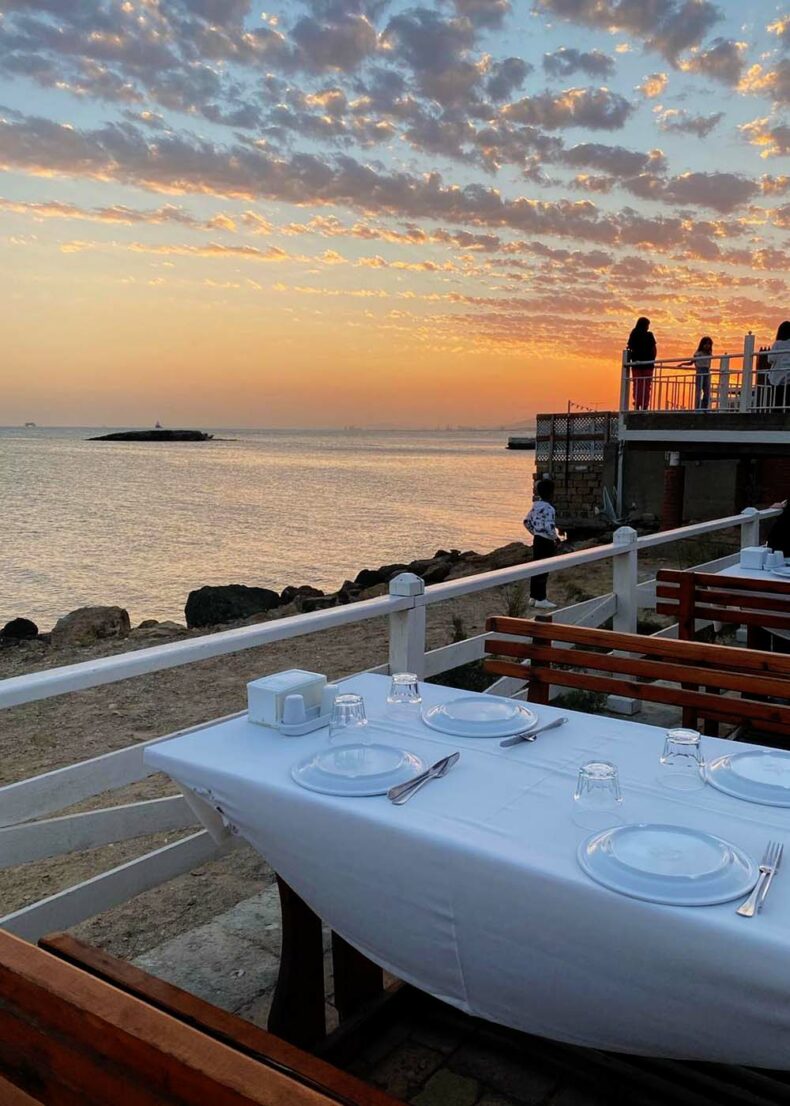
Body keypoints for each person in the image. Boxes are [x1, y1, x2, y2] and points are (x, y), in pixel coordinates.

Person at [524, 477, 560, 609]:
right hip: (546, 541)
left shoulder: (536, 506)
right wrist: (555, 538)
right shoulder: (549, 509)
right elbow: (550, 527)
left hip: (537, 540)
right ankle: (541, 598)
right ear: (551, 493)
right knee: (544, 569)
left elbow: (526, 522)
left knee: (536, 567)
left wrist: (535, 532)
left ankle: (533, 597)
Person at [627, 317, 657, 410]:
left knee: (637, 385)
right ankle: (644, 406)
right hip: (648, 364)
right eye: (648, 325)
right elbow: (654, 349)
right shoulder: (649, 335)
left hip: (636, 363)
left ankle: (637, 405)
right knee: (646, 386)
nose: (648, 327)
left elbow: (630, 346)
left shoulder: (634, 333)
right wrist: (652, 359)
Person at [680, 336, 713, 410]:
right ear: (702, 344)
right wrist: (682, 364)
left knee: (707, 391)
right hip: (700, 371)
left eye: (709, 344)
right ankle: (697, 408)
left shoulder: (709, 353)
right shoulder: (698, 353)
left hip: (707, 371)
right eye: (706, 344)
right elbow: (691, 362)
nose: (707, 345)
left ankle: (704, 407)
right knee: (698, 391)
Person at [768, 321, 790, 409]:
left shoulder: (777, 344)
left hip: (777, 377)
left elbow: (770, 359)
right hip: (788, 376)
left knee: (777, 402)